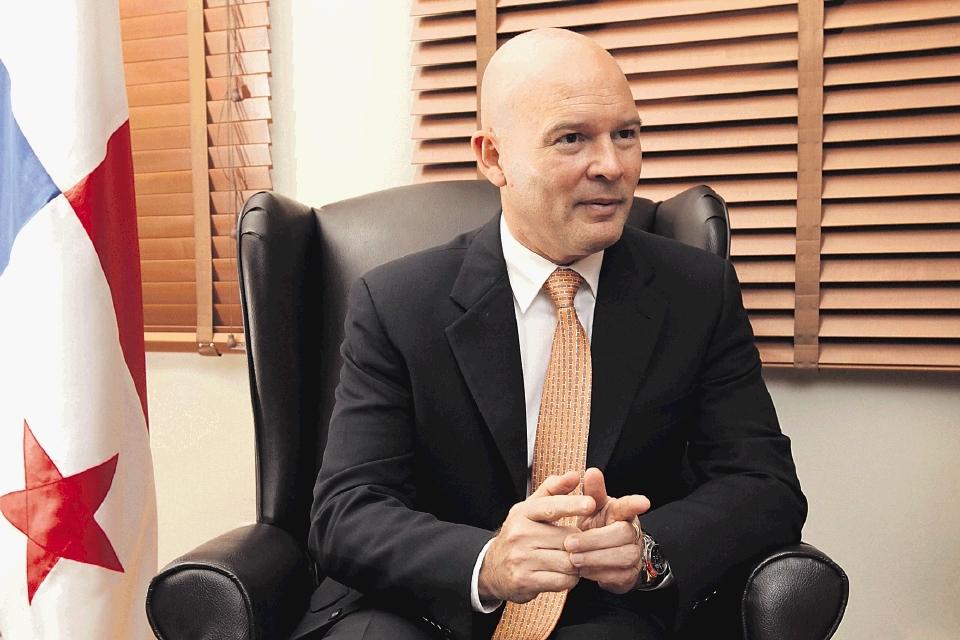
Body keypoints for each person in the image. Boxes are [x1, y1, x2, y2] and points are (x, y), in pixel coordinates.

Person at [293, 28, 806, 640]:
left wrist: (647, 550)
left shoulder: (696, 291)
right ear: (493, 157)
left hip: (608, 610)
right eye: (572, 139)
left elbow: (765, 487)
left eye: (626, 134)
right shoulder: (397, 301)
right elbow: (347, 510)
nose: (612, 166)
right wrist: (488, 562)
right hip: (432, 602)